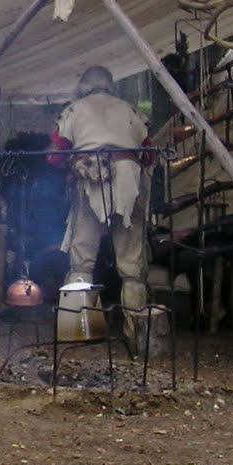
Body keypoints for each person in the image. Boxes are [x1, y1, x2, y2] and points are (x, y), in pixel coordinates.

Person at [50, 65, 154, 344]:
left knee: (82, 259)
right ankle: (137, 336)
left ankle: (76, 333)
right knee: (132, 265)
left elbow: (55, 154)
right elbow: (148, 153)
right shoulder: (129, 110)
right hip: (129, 187)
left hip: (90, 184)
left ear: (83, 87)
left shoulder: (74, 110)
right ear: (111, 86)